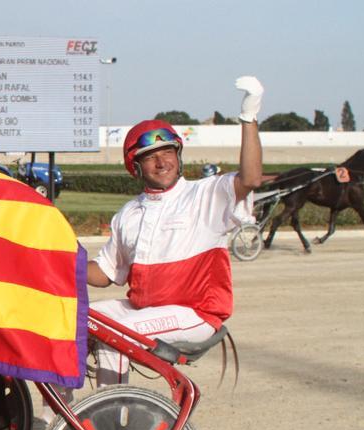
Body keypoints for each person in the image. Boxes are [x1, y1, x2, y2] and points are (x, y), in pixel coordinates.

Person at [85, 76, 265, 385]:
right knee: (72, 320)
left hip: (195, 314)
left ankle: (109, 420)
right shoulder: (129, 213)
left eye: (167, 152)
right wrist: (58, 259)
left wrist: (249, 117)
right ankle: (61, 417)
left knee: (110, 333)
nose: (161, 162)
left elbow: (250, 179)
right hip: (144, 310)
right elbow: (104, 273)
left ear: (178, 157)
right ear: (136, 167)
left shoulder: (206, 194)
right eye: (150, 157)